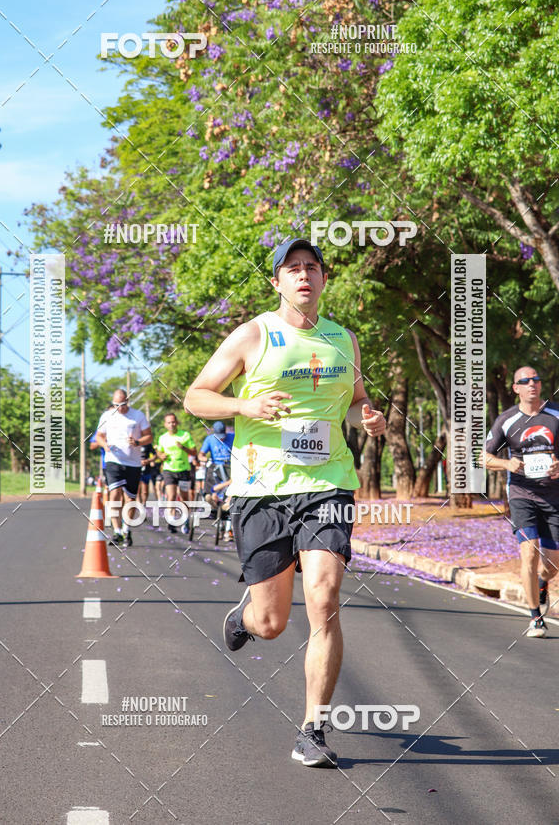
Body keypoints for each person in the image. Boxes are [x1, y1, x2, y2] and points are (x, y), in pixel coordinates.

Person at [185, 237, 386, 767]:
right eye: (292, 268)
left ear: (323, 278)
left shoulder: (343, 339)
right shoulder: (253, 335)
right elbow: (196, 396)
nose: (303, 275)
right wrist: (244, 405)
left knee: (324, 596)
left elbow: (357, 400)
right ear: (276, 281)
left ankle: (313, 729)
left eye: (311, 267)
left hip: (328, 483)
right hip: (262, 490)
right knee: (271, 623)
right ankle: (246, 616)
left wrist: (368, 416)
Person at [485, 366, 559, 637]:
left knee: (552, 565)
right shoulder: (506, 420)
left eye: (536, 380)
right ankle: (535, 617)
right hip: (521, 495)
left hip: (554, 497)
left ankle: (542, 582)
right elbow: (484, 458)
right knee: (528, 553)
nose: (532, 384)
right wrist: (508, 463)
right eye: (525, 381)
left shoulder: (556, 414)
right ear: (516, 388)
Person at [94, 389, 152, 547]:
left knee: (130, 498)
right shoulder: (107, 416)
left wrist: (138, 442)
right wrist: (105, 445)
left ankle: (127, 529)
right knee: (114, 494)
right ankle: (117, 531)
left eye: (122, 404)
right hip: (113, 460)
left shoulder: (138, 415)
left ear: (127, 401)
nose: (119, 408)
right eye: (116, 405)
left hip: (133, 463)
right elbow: (99, 436)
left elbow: (149, 436)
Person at [157, 413, 197, 534]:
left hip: (183, 470)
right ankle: (172, 521)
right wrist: (161, 456)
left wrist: (183, 447)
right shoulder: (162, 438)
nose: (171, 424)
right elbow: (159, 452)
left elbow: (194, 452)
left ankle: (185, 520)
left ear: (177, 422)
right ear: (165, 424)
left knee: (184, 497)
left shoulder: (185, 435)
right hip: (169, 470)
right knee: (171, 496)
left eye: (173, 422)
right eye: (169, 422)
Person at [138, 442, 159, 513]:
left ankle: (144, 505)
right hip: (135, 468)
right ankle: (139, 508)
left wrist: (148, 461)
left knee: (145, 491)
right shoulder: (133, 442)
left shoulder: (148, 444)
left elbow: (155, 455)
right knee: (137, 490)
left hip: (146, 469)